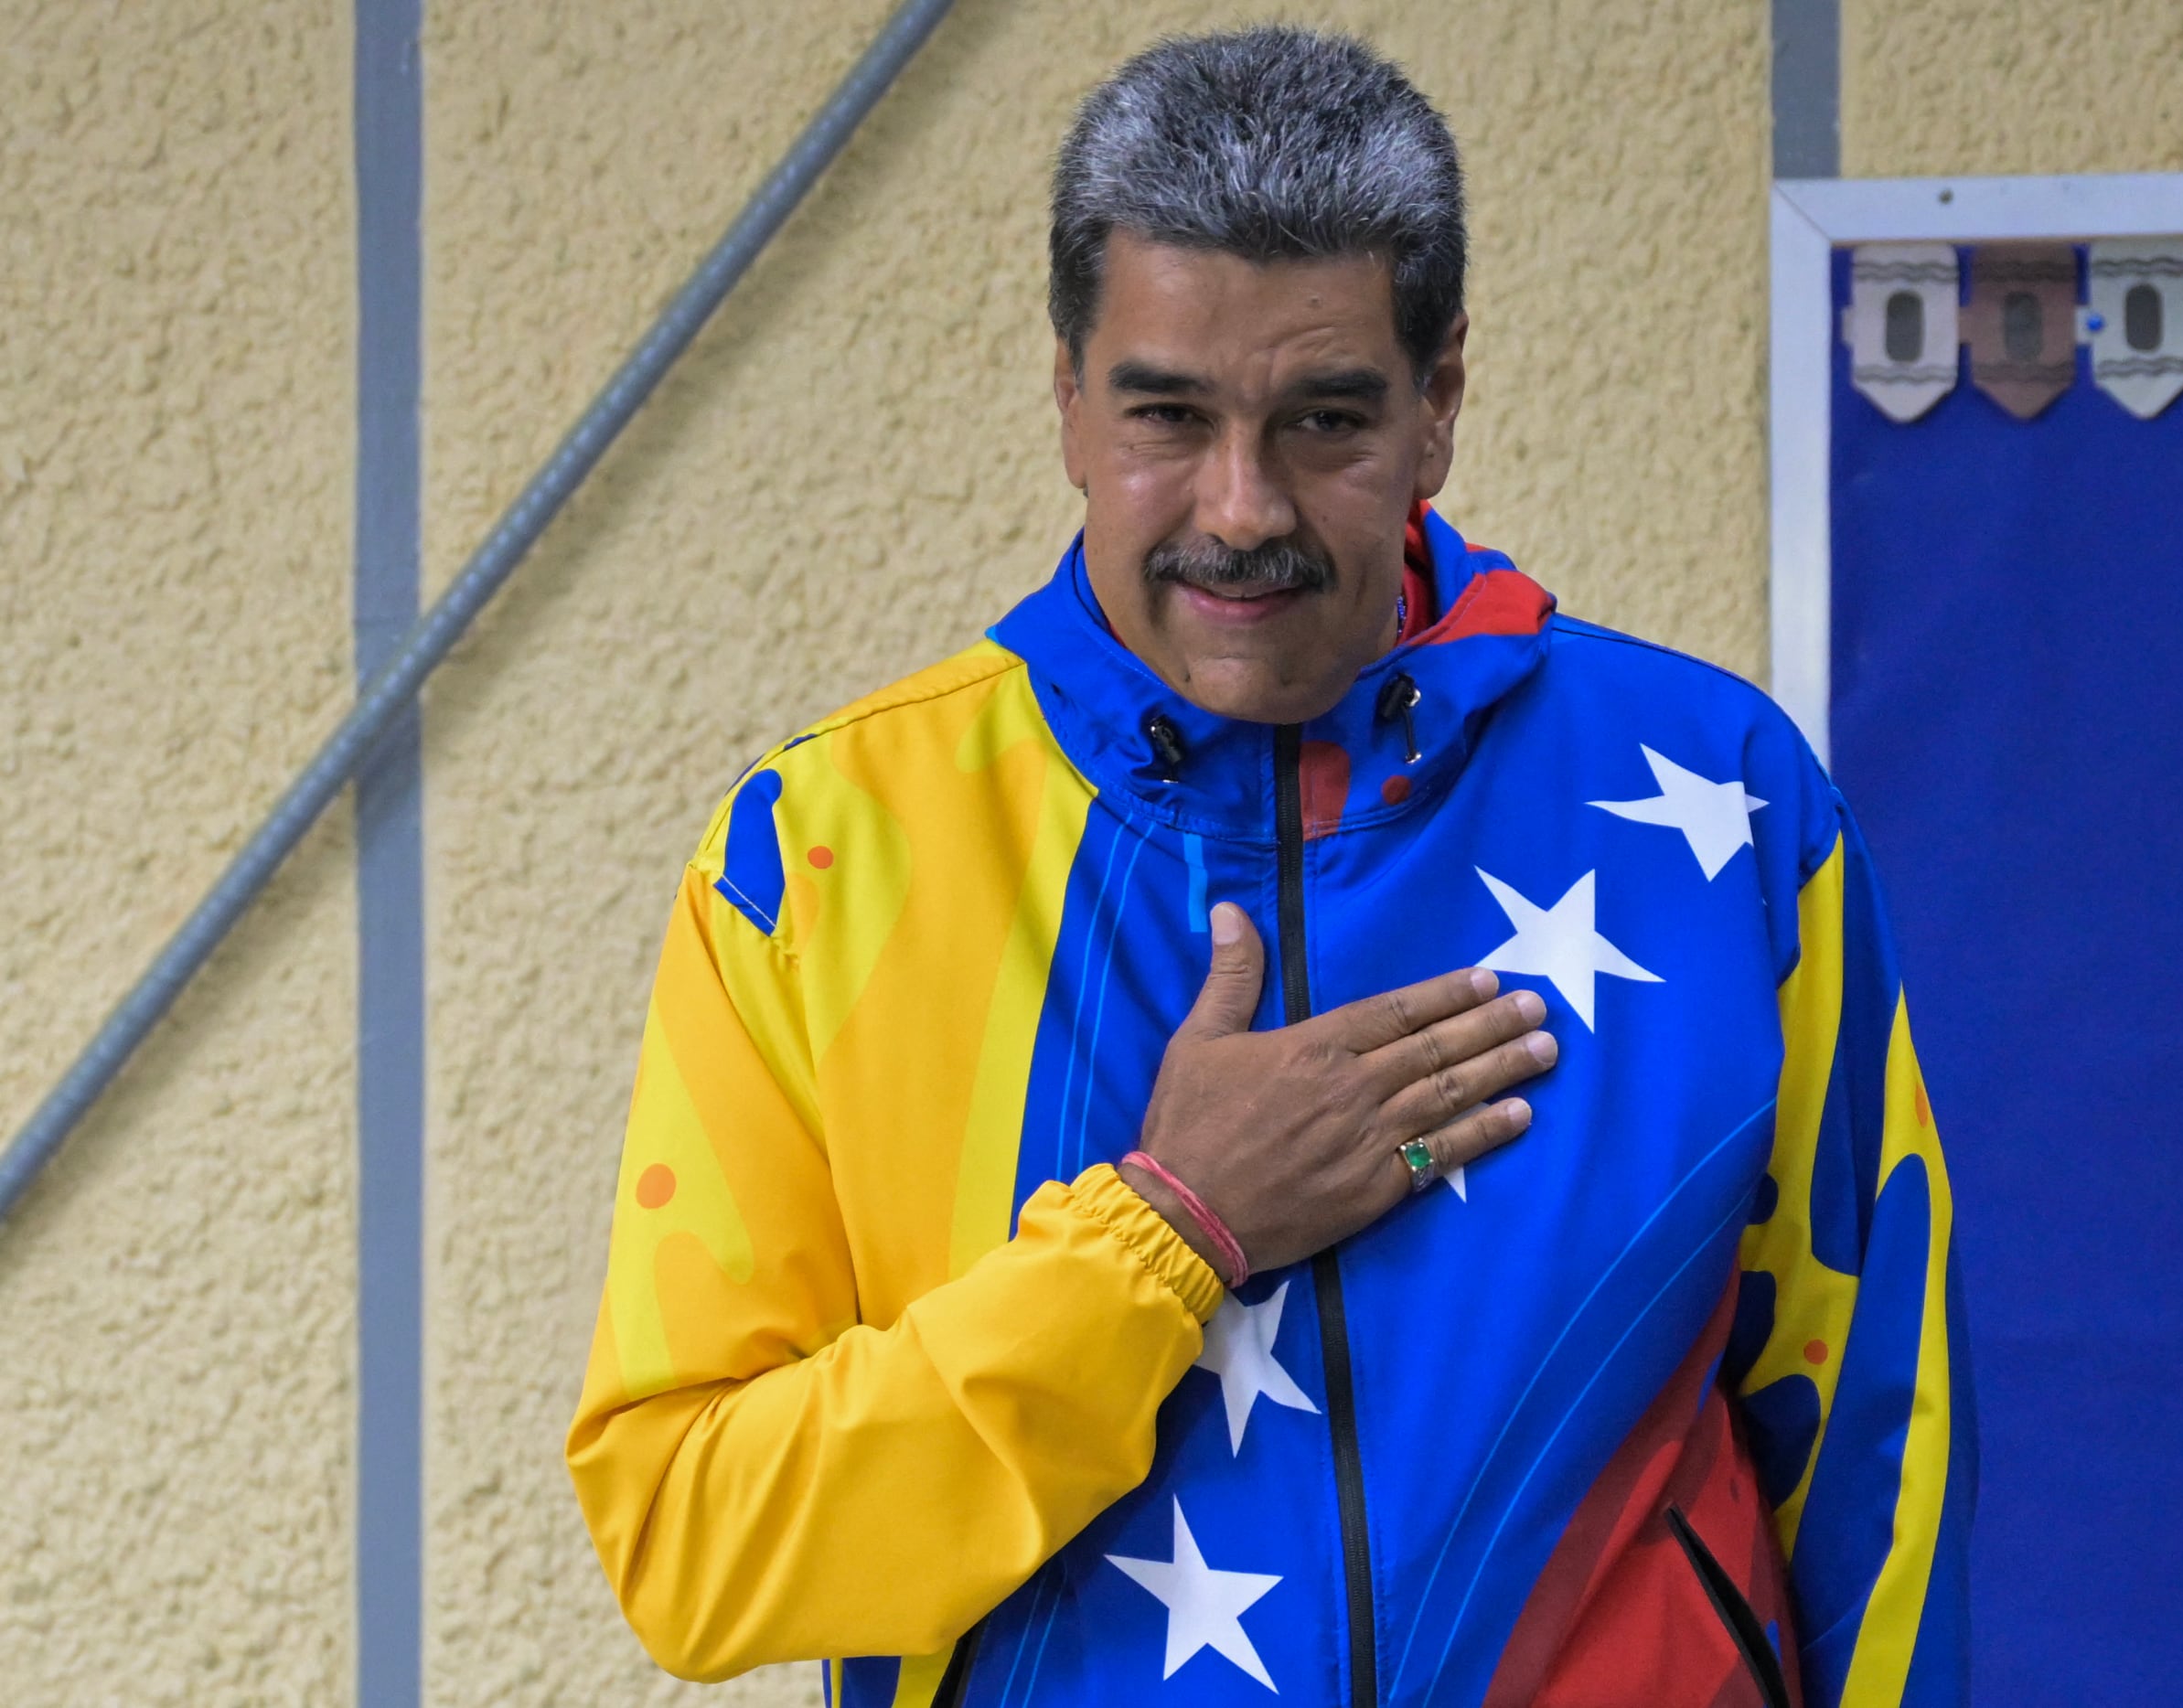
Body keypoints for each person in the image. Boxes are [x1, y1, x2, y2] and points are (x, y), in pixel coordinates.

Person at [566, 27, 1972, 1708]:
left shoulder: (1724, 801)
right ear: (1067, 399)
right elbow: (697, 1548)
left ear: (1437, 403)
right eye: (1168, 414)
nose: (1239, 509)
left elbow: (1878, 1439)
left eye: (1323, 419)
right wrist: (1165, 1237)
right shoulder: (818, 857)